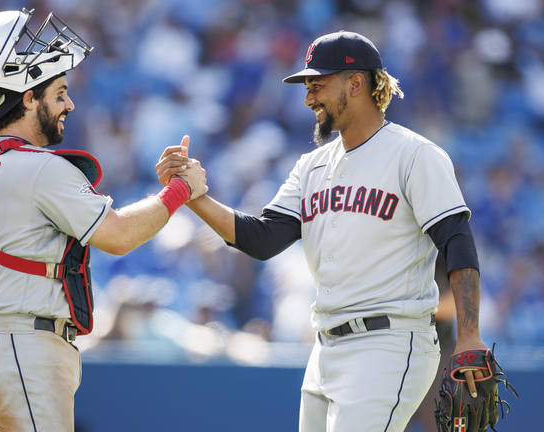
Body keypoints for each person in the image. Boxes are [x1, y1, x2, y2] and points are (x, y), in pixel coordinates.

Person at [157, 31, 487, 432]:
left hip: (390, 343)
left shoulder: (415, 156)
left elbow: (457, 240)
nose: (309, 98)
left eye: (318, 85)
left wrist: (469, 334)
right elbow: (263, 238)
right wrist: (195, 197)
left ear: (356, 83)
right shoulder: (310, 167)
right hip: (325, 347)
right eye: (308, 86)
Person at [0, 9, 207, 432]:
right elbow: (118, 235)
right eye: (59, 92)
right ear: (28, 97)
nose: (69, 103)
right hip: (24, 350)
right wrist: (179, 191)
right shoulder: (40, 168)